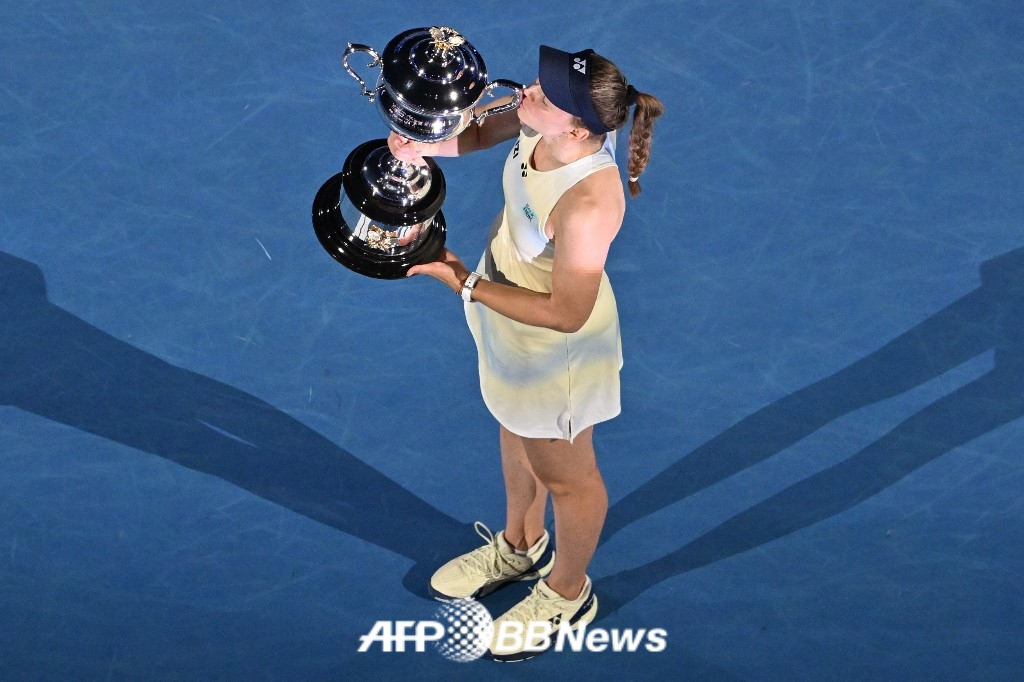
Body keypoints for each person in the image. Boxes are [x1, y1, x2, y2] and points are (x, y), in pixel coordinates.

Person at [389, 44, 663, 661]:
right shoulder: (545, 117)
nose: (526, 91)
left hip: (554, 353)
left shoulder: (590, 204)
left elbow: (568, 314)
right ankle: (520, 545)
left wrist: (463, 283)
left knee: (566, 476)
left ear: (575, 126)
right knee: (514, 430)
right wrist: (421, 145)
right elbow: (483, 132)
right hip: (507, 313)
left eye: (544, 92)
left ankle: (568, 590)